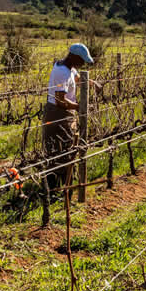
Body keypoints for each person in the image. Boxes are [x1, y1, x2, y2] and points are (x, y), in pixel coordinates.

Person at [43, 43, 95, 192]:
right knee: (57, 151)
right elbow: (60, 100)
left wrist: (93, 84)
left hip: (66, 114)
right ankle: (53, 190)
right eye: (82, 60)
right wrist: (80, 107)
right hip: (57, 114)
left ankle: (65, 187)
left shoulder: (69, 68)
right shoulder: (62, 73)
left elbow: (79, 79)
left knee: (67, 150)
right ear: (73, 57)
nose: (83, 63)